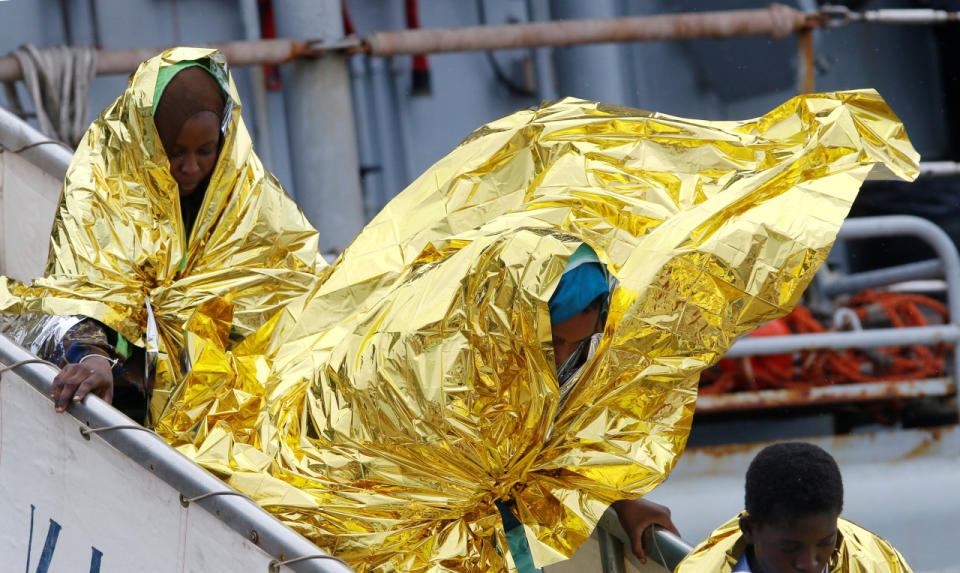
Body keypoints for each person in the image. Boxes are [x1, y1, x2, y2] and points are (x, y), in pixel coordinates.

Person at [0, 48, 325, 425]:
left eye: (206, 151)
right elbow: (83, 295)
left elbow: (295, 293)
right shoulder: (103, 193)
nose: (191, 168)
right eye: (174, 153)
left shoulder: (252, 201)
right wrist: (93, 359)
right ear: (147, 144)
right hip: (136, 389)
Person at [674, 442, 913, 573]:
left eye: (826, 542)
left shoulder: (878, 565)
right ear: (749, 530)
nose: (809, 565)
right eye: (789, 548)